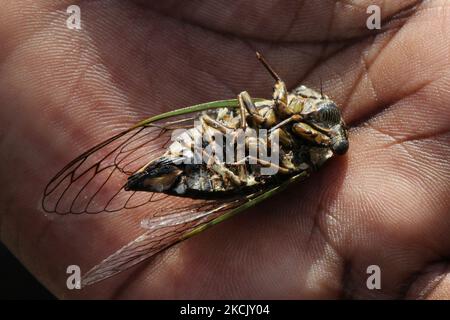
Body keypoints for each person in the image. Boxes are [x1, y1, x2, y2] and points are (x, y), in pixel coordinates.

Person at [0, 1, 449, 299]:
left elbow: (266, 176)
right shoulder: (267, 111)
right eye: (306, 104)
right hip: (214, 142)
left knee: (231, 181)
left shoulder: (302, 159)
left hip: (236, 174)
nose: (308, 111)